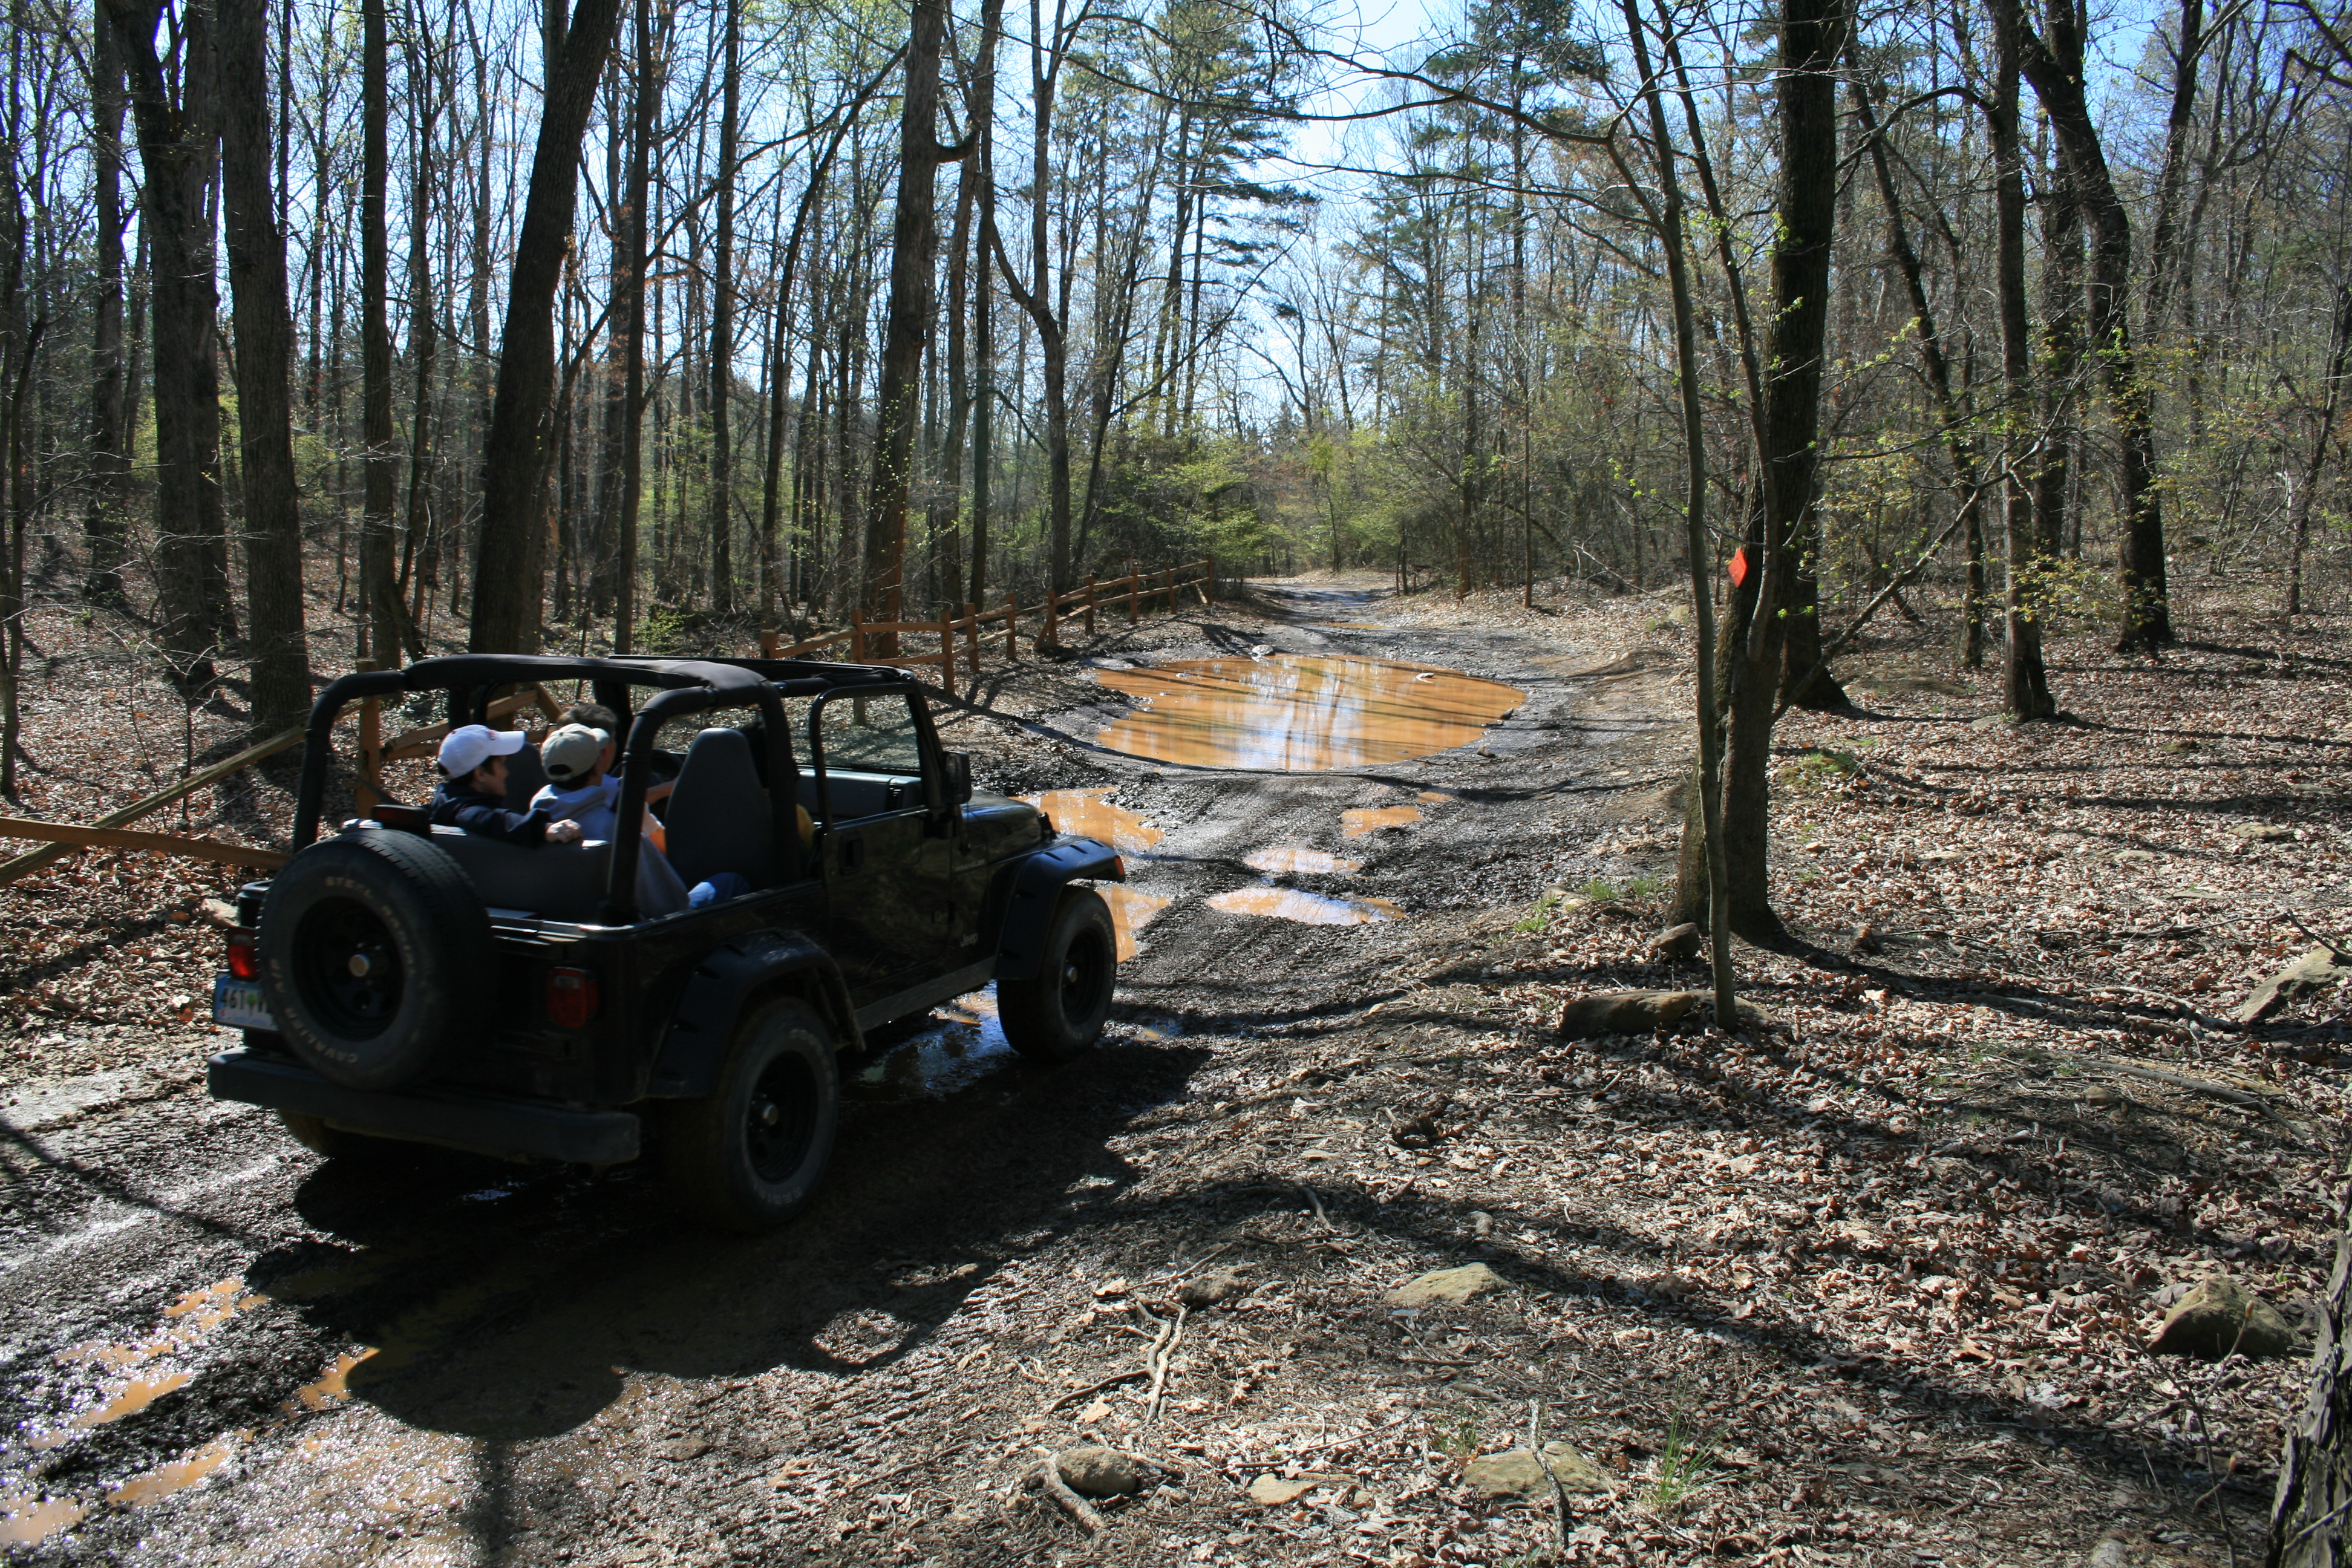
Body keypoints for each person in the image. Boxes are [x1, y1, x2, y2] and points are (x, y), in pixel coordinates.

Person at [430, 725, 583, 844]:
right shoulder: (466, 812)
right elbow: (490, 820)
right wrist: (542, 828)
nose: (506, 772)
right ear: (480, 774)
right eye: (502, 764)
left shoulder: (445, 803)